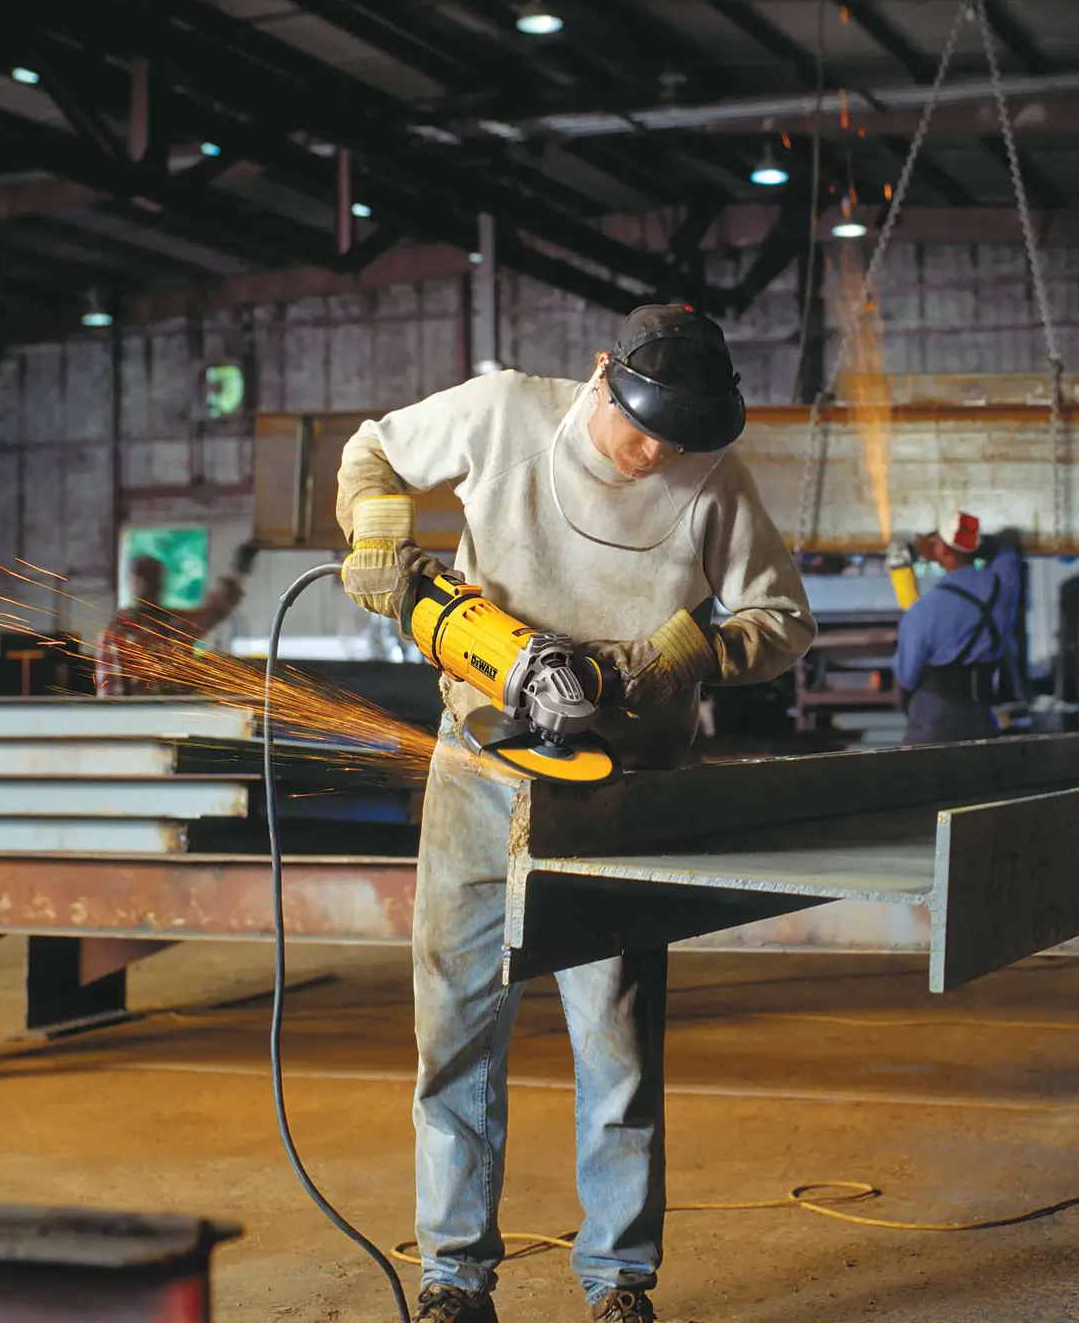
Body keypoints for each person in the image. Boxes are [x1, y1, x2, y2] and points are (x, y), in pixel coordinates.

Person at [335, 305, 815, 1323]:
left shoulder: (711, 478)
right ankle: (453, 1277)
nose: (658, 454)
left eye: (680, 440)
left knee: (618, 1044)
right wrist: (380, 544)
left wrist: (669, 660)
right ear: (603, 376)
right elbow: (372, 451)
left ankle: (617, 1281)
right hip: (479, 771)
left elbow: (781, 623)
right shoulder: (503, 414)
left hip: (623, 793)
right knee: (457, 1030)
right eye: (645, 430)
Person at [892, 512, 1022, 744]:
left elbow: (907, 677)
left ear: (942, 550)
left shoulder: (923, 612)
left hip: (933, 718)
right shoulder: (1001, 587)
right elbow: (1007, 546)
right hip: (980, 716)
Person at [94, 540, 257, 695]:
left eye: (156, 578)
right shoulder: (117, 633)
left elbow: (214, 612)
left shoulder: (174, 625)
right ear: (131, 581)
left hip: (181, 716)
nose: (152, 584)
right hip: (139, 719)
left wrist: (239, 571)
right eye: (146, 577)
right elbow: (110, 700)